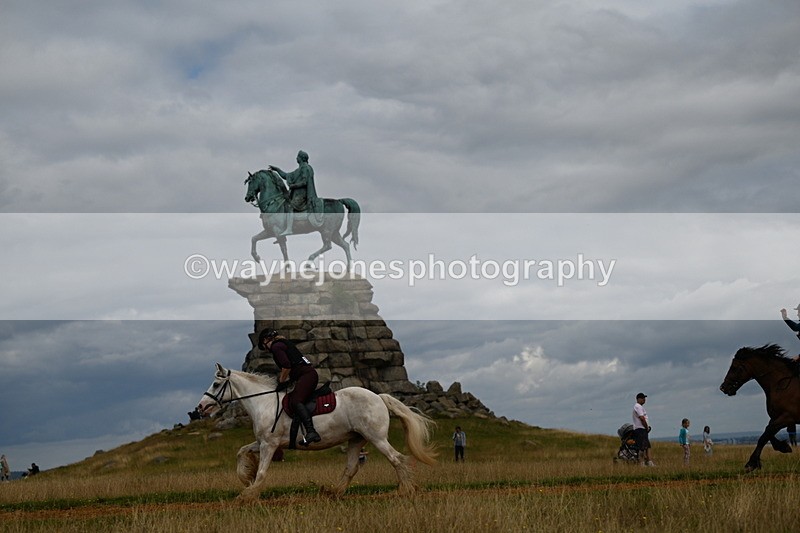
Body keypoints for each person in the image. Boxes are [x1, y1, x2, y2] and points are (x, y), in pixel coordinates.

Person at [258, 328, 321, 445]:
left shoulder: (276, 347)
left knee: (296, 400)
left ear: (266, 339)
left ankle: (311, 431)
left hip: (306, 375)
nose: (266, 350)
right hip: (305, 375)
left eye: (264, 345)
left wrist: (281, 382)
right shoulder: (283, 343)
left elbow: (286, 366)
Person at [268, 150, 320, 236]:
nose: (296, 158)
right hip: (297, 194)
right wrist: (277, 169)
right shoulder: (299, 169)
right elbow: (286, 175)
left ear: (301, 158)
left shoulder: (305, 168)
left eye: (297, 157)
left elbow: (304, 182)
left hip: (302, 195)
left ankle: (289, 229)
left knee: (289, 206)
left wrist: (293, 186)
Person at [632, 392, 655, 466]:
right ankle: (641, 463)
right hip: (640, 429)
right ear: (638, 399)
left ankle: (649, 461)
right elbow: (642, 418)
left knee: (647, 446)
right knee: (641, 447)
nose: (644, 400)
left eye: (644, 398)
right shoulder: (638, 406)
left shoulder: (640, 407)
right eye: (642, 398)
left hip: (643, 430)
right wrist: (646, 427)